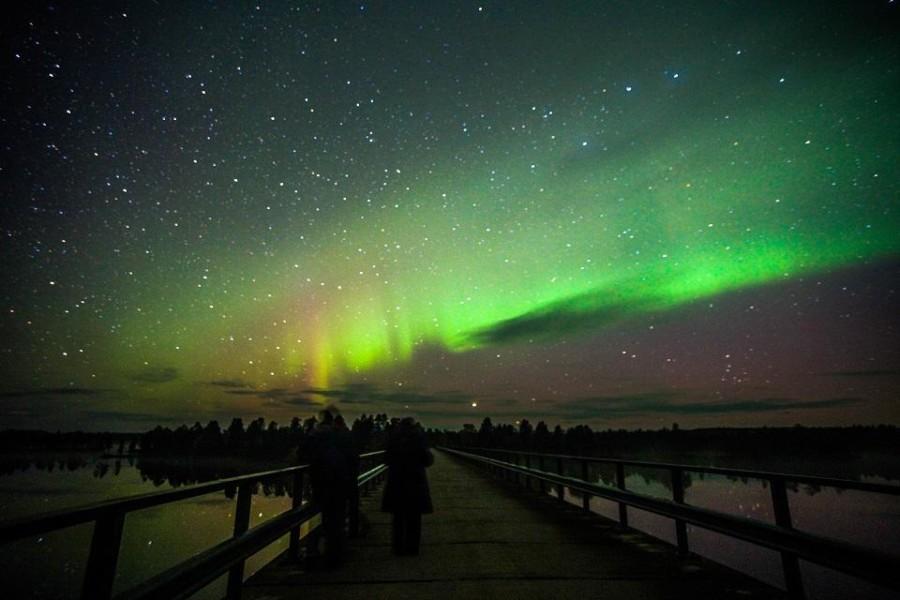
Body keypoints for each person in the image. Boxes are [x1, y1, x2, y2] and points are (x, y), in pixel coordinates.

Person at [305, 406, 352, 567]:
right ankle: (336, 555)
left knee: (323, 519)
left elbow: (303, 455)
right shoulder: (340, 435)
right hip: (339, 483)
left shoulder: (315, 435)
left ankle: (319, 554)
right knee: (337, 520)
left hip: (320, 483)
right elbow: (351, 457)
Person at [382, 417, 434, 555]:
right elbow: (428, 460)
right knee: (414, 518)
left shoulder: (394, 437)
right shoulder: (418, 437)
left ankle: (398, 548)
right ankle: (412, 548)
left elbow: (386, 458)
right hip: (415, 482)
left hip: (397, 482)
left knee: (398, 517)